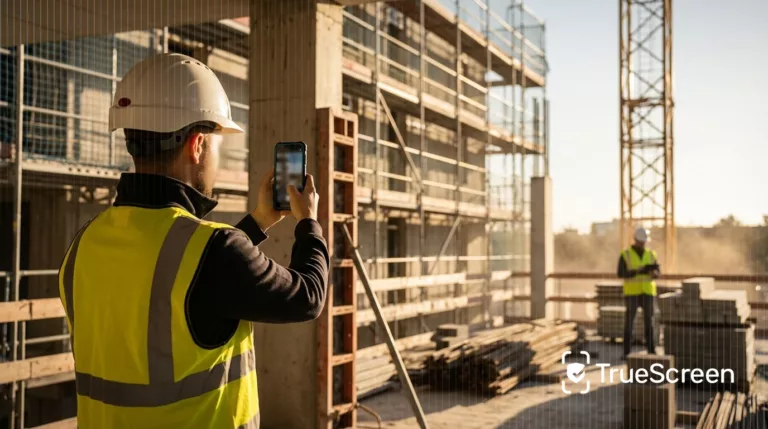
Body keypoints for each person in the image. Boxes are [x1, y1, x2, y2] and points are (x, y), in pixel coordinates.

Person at [57, 53, 329, 429]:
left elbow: (190, 283)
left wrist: (260, 221)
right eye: (218, 143)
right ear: (197, 145)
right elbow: (307, 296)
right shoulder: (213, 251)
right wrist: (309, 222)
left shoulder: (83, 244)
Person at [617, 227, 661, 358]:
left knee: (649, 322)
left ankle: (651, 351)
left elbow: (658, 272)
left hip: (647, 292)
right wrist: (638, 271)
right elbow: (620, 273)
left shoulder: (651, 254)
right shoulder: (626, 254)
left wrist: (654, 273)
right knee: (629, 323)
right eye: (641, 241)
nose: (643, 244)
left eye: (644, 242)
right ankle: (626, 352)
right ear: (635, 240)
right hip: (632, 293)